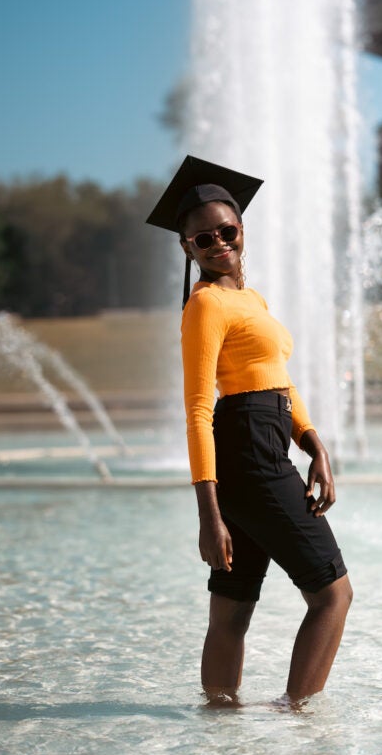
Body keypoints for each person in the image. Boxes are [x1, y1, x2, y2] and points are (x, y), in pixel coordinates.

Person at [147, 155, 352, 705]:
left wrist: (315, 445)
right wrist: (208, 514)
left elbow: (280, 382)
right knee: (333, 595)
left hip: (261, 444)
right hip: (249, 455)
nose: (218, 243)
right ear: (187, 247)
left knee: (233, 608)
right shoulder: (206, 305)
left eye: (227, 230)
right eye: (202, 238)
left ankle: (219, 724)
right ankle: (298, 719)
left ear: (242, 229)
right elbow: (197, 407)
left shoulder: (249, 300)